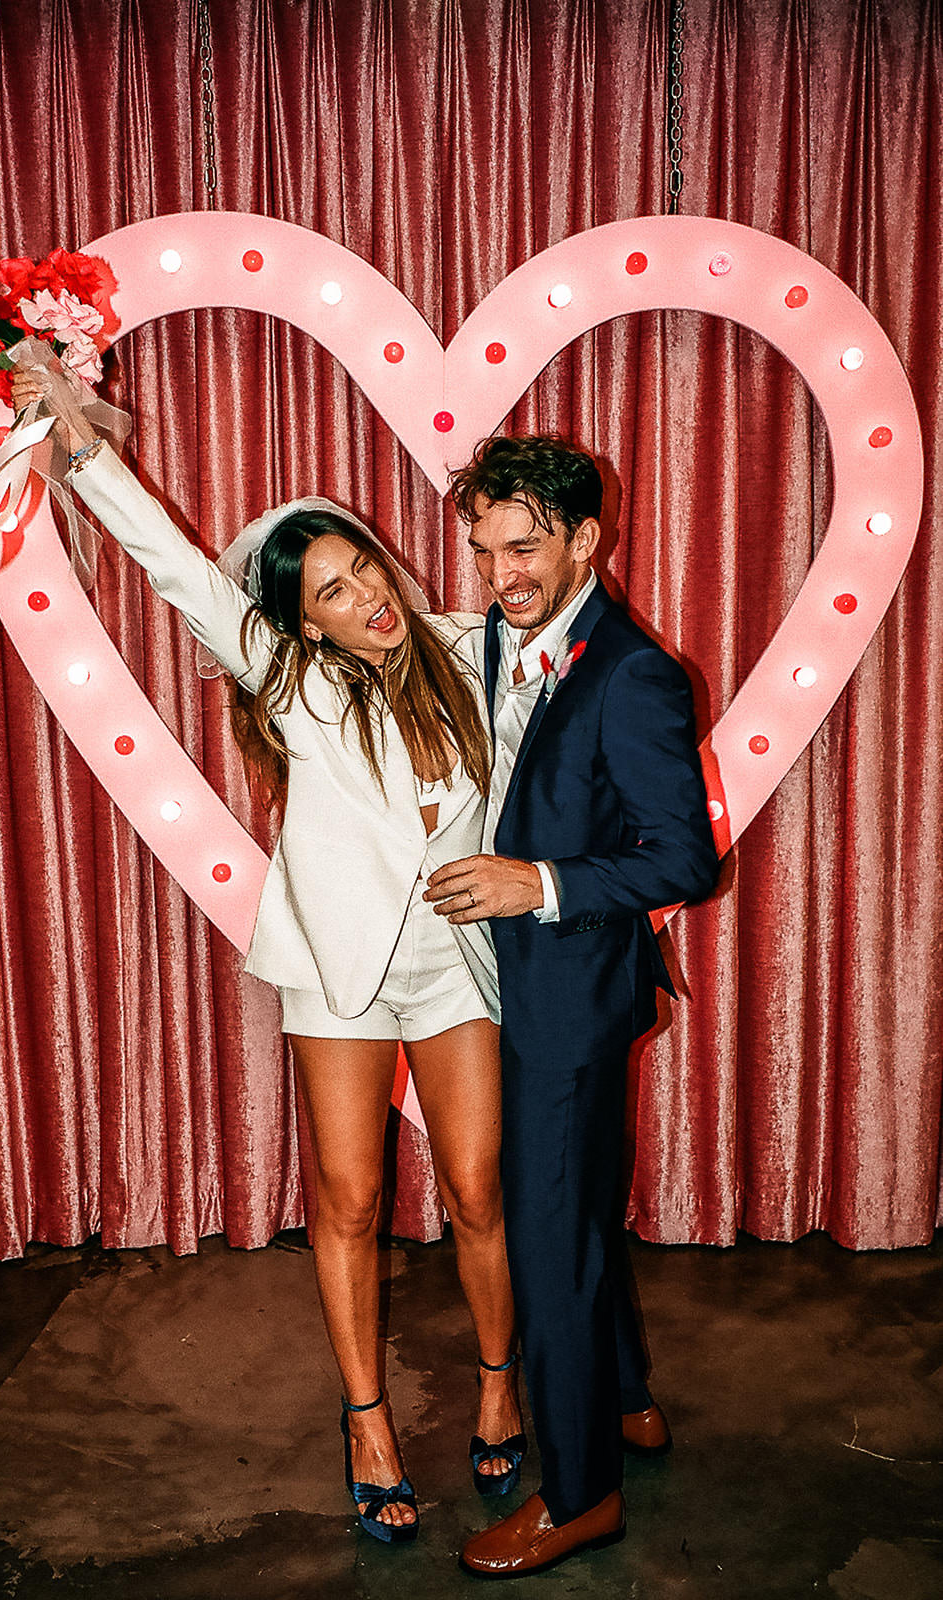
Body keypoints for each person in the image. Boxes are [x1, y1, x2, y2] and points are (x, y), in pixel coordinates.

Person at [8, 370, 524, 1544]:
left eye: (365, 570)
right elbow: (172, 562)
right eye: (331, 593)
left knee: (478, 1187)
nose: (365, 600)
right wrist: (77, 443)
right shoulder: (289, 681)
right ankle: (366, 1421)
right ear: (303, 620)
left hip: (455, 965)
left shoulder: (470, 648)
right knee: (346, 1198)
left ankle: (501, 1379)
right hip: (337, 971)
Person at [424, 434, 720, 1578]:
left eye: (526, 545)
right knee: (582, 1206)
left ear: (586, 538)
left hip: (569, 994)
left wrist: (533, 883)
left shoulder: (632, 672)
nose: (501, 570)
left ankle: (581, 1491)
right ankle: (629, 1397)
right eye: (483, 545)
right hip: (494, 985)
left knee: (547, 1234)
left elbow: (683, 861)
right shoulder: (496, 633)